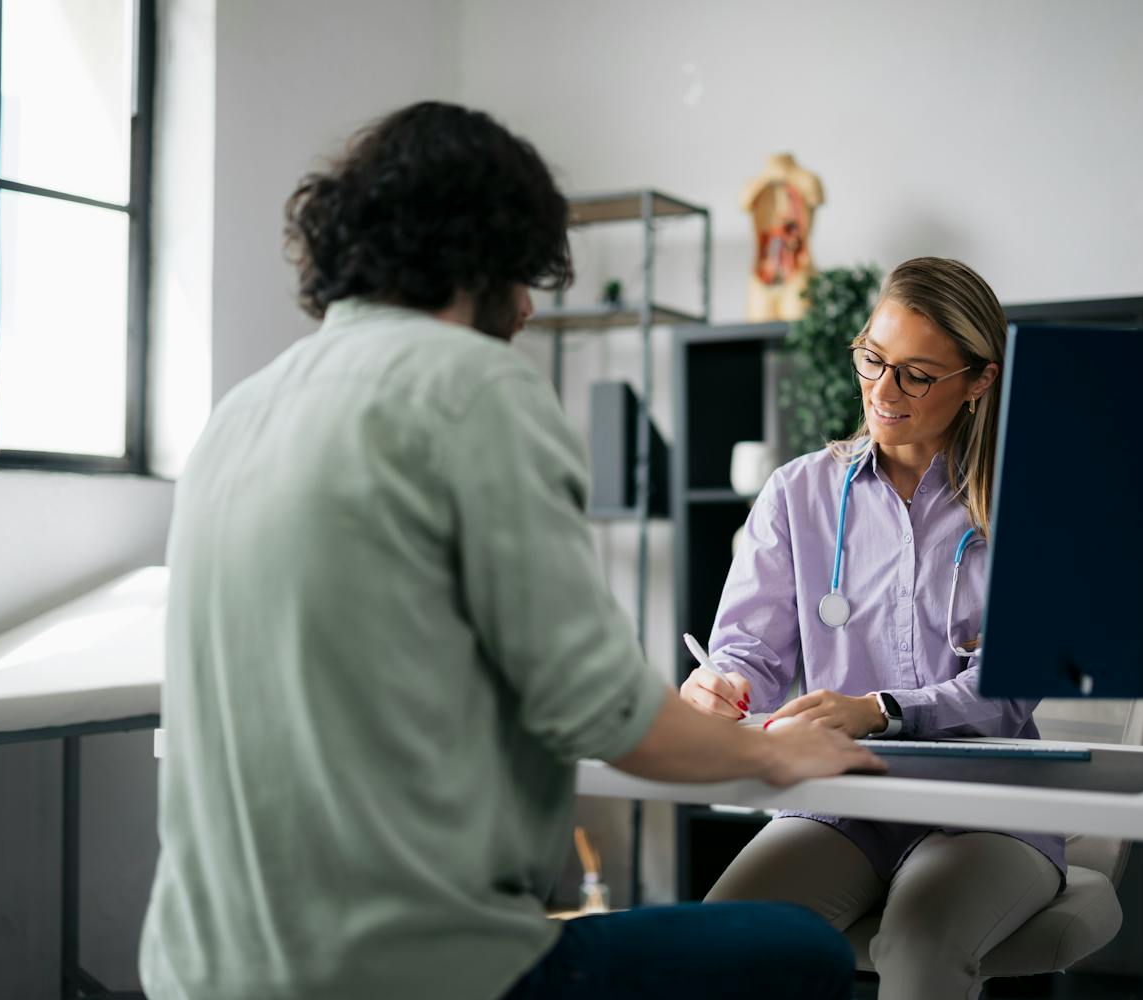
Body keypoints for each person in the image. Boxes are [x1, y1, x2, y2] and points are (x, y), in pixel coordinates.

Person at [138, 101, 883, 1000]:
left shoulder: (241, 411)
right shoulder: (474, 387)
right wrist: (779, 755)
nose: (529, 308)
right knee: (804, 952)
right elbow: (608, 716)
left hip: (199, 969)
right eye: (525, 275)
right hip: (398, 974)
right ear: (481, 254)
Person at [682, 257, 1064, 999]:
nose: (883, 393)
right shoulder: (799, 493)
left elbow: (1012, 691)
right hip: (844, 802)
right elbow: (748, 650)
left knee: (921, 947)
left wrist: (882, 710)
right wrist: (723, 682)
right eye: (873, 360)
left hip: (985, 812)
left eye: (917, 375)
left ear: (979, 381)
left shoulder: (1028, 500)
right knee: (722, 939)